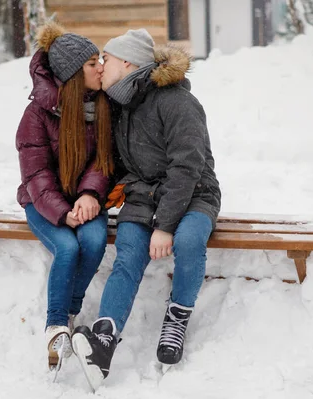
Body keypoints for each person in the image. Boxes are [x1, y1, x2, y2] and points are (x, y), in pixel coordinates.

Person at [71, 29, 221, 390]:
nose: (101, 66)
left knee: (187, 241)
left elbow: (186, 167)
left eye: (106, 59)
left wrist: (166, 225)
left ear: (127, 63)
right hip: (143, 197)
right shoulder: (121, 106)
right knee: (128, 255)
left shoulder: (178, 103)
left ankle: (176, 318)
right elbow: (121, 163)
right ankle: (104, 339)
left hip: (195, 193)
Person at [15, 22, 113, 371]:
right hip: (43, 202)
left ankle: (70, 310)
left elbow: (105, 160)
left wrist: (89, 194)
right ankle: (56, 325)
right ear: (73, 74)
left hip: (86, 203)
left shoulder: (103, 106)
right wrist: (61, 211)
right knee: (68, 247)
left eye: (99, 59)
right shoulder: (36, 115)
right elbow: (35, 174)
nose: (101, 67)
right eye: (92, 63)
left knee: (94, 240)